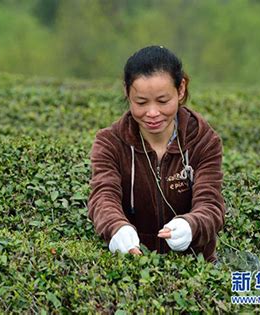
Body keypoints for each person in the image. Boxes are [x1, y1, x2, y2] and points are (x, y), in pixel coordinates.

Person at [88, 45, 225, 263]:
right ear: (127, 92)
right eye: (141, 102)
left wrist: (192, 225)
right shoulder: (110, 143)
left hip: (196, 269)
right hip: (134, 265)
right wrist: (116, 228)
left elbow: (210, 203)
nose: (152, 113)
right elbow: (103, 196)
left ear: (181, 89)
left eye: (163, 101)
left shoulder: (203, 141)